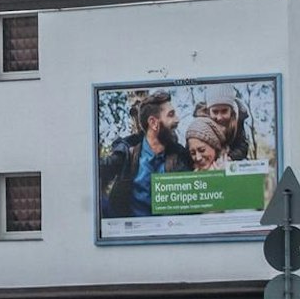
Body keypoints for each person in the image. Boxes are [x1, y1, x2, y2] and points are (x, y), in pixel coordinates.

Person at [100, 91, 188, 219]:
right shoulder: (126, 153)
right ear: (153, 123)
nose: (177, 119)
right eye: (171, 115)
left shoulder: (181, 156)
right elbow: (97, 174)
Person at [197, 84, 253, 162]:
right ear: (208, 111)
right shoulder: (200, 123)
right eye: (215, 112)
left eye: (224, 111)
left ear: (231, 111)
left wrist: (230, 157)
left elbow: (242, 148)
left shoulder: (238, 120)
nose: (219, 117)